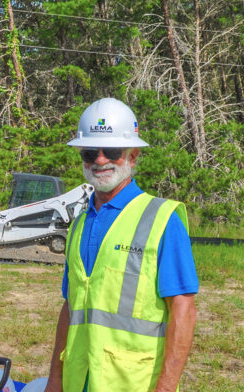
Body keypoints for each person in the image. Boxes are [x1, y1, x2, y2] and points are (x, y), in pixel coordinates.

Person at [44, 98, 198, 392]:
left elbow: (183, 309)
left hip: (135, 384)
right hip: (80, 381)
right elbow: (71, 307)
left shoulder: (162, 220)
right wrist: (55, 378)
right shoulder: (79, 223)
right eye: (90, 152)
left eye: (112, 151)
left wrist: (165, 387)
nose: (100, 160)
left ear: (133, 156)